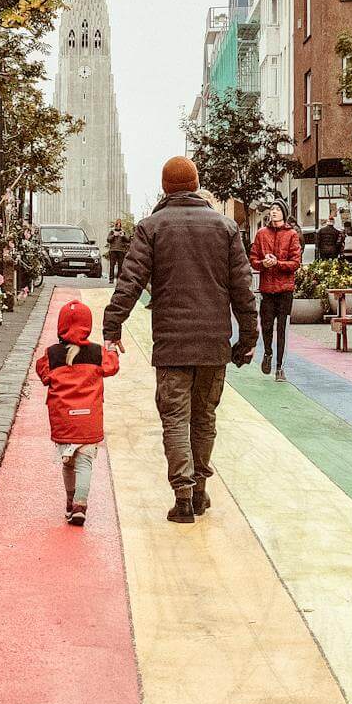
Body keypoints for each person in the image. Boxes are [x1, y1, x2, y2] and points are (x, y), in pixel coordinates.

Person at [104, 156, 258, 524]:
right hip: (212, 343)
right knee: (204, 417)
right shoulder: (225, 228)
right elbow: (242, 288)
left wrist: (113, 326)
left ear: (165, 188)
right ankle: (201, 489)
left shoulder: (151, 227)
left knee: (175, 418)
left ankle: (183, 497)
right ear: (195, 182)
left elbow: (130, 281)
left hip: (172, 344)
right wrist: (248, 336)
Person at [34, 298, 120, 526]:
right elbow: (112, 367)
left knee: (68, 463)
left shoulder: (52, 355)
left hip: (63, 420)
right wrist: (111, 348)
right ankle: (81, 504)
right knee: (85, 464)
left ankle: (70, 502)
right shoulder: (97, 353)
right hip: (89, 420)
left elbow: (42, 374)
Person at [250, 204, 302, 381]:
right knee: (266, 326)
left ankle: (280, 367)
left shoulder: (292, 234)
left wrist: (277, 263)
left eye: (278, 210)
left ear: (284, 214)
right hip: (267, 289)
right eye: (272, 209)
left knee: (282, 329)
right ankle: (267, 353)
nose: (274, 212)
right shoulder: (261, 233)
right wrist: (262, 263)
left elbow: (295, 263)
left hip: (285, 289)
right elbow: (253, 259)